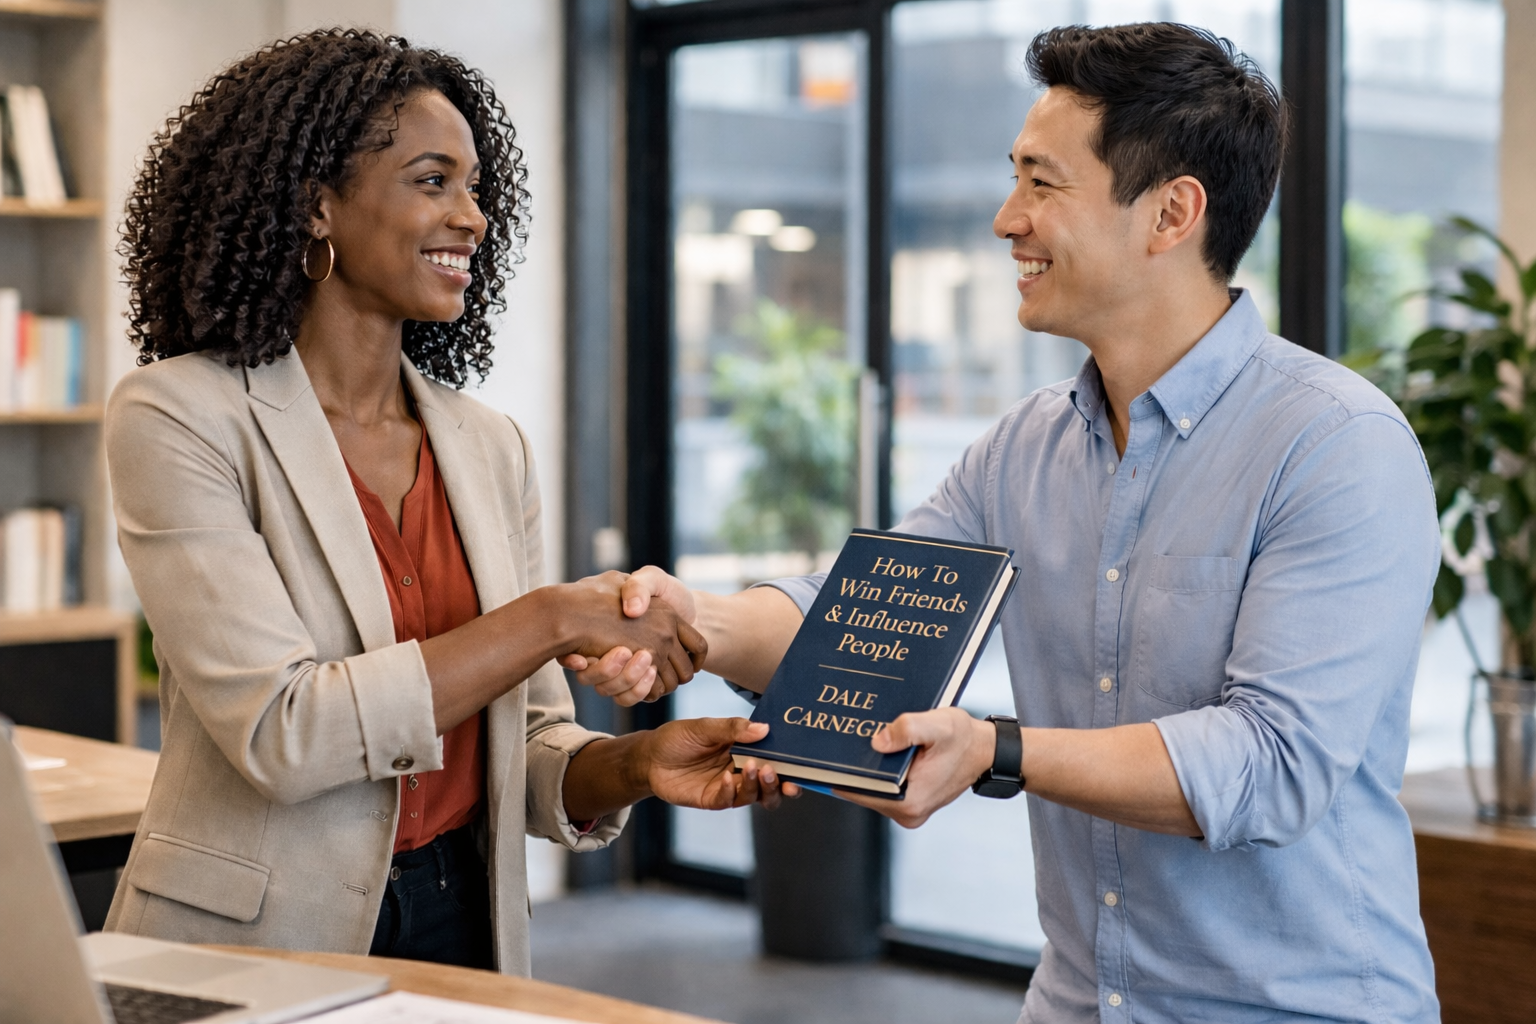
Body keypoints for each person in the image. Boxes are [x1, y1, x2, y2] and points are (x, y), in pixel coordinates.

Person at [569, 23, 1442, 1023]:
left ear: (1171, 213)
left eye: (1042, 183)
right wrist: (694, 620)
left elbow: (1273, 764)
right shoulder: (1024, 447)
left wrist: (997, 747)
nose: (1004, 219)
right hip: (1081, 1001)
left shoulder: (1336, 445)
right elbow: (863, 617)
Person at [103, 29, 784, 976]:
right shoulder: (179, 415)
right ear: (316, 205)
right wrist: (552, 616)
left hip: (463, 915)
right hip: (250, 942)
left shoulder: (488, 447)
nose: (472, 216)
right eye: (433, 181)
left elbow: (527, 741)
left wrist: (638, 764)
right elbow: (283, 734)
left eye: (475, 187)